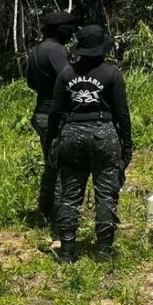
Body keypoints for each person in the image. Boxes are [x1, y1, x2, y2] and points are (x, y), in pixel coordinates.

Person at [46, 25, 133, 263]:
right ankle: (104, 250)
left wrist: (52, 141)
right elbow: (122, 114)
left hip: (71, 134)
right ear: (103, 48)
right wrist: (127, 145)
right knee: (106, 193)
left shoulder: (66, 73)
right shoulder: (112, 74)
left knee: (70, 193)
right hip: (103, 134)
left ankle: (66, 250)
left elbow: (55, 112)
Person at [25, 11, 76, 228]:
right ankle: (59, 219)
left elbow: (30, 82)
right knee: (61, 168)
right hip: (53, 115)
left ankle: (44, 213)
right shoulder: (56, 50)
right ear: (60, 29)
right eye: (70, 29)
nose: (72, 33)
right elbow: (69, 80)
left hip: (40, 112)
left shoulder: (36, 50)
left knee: (51, 165)